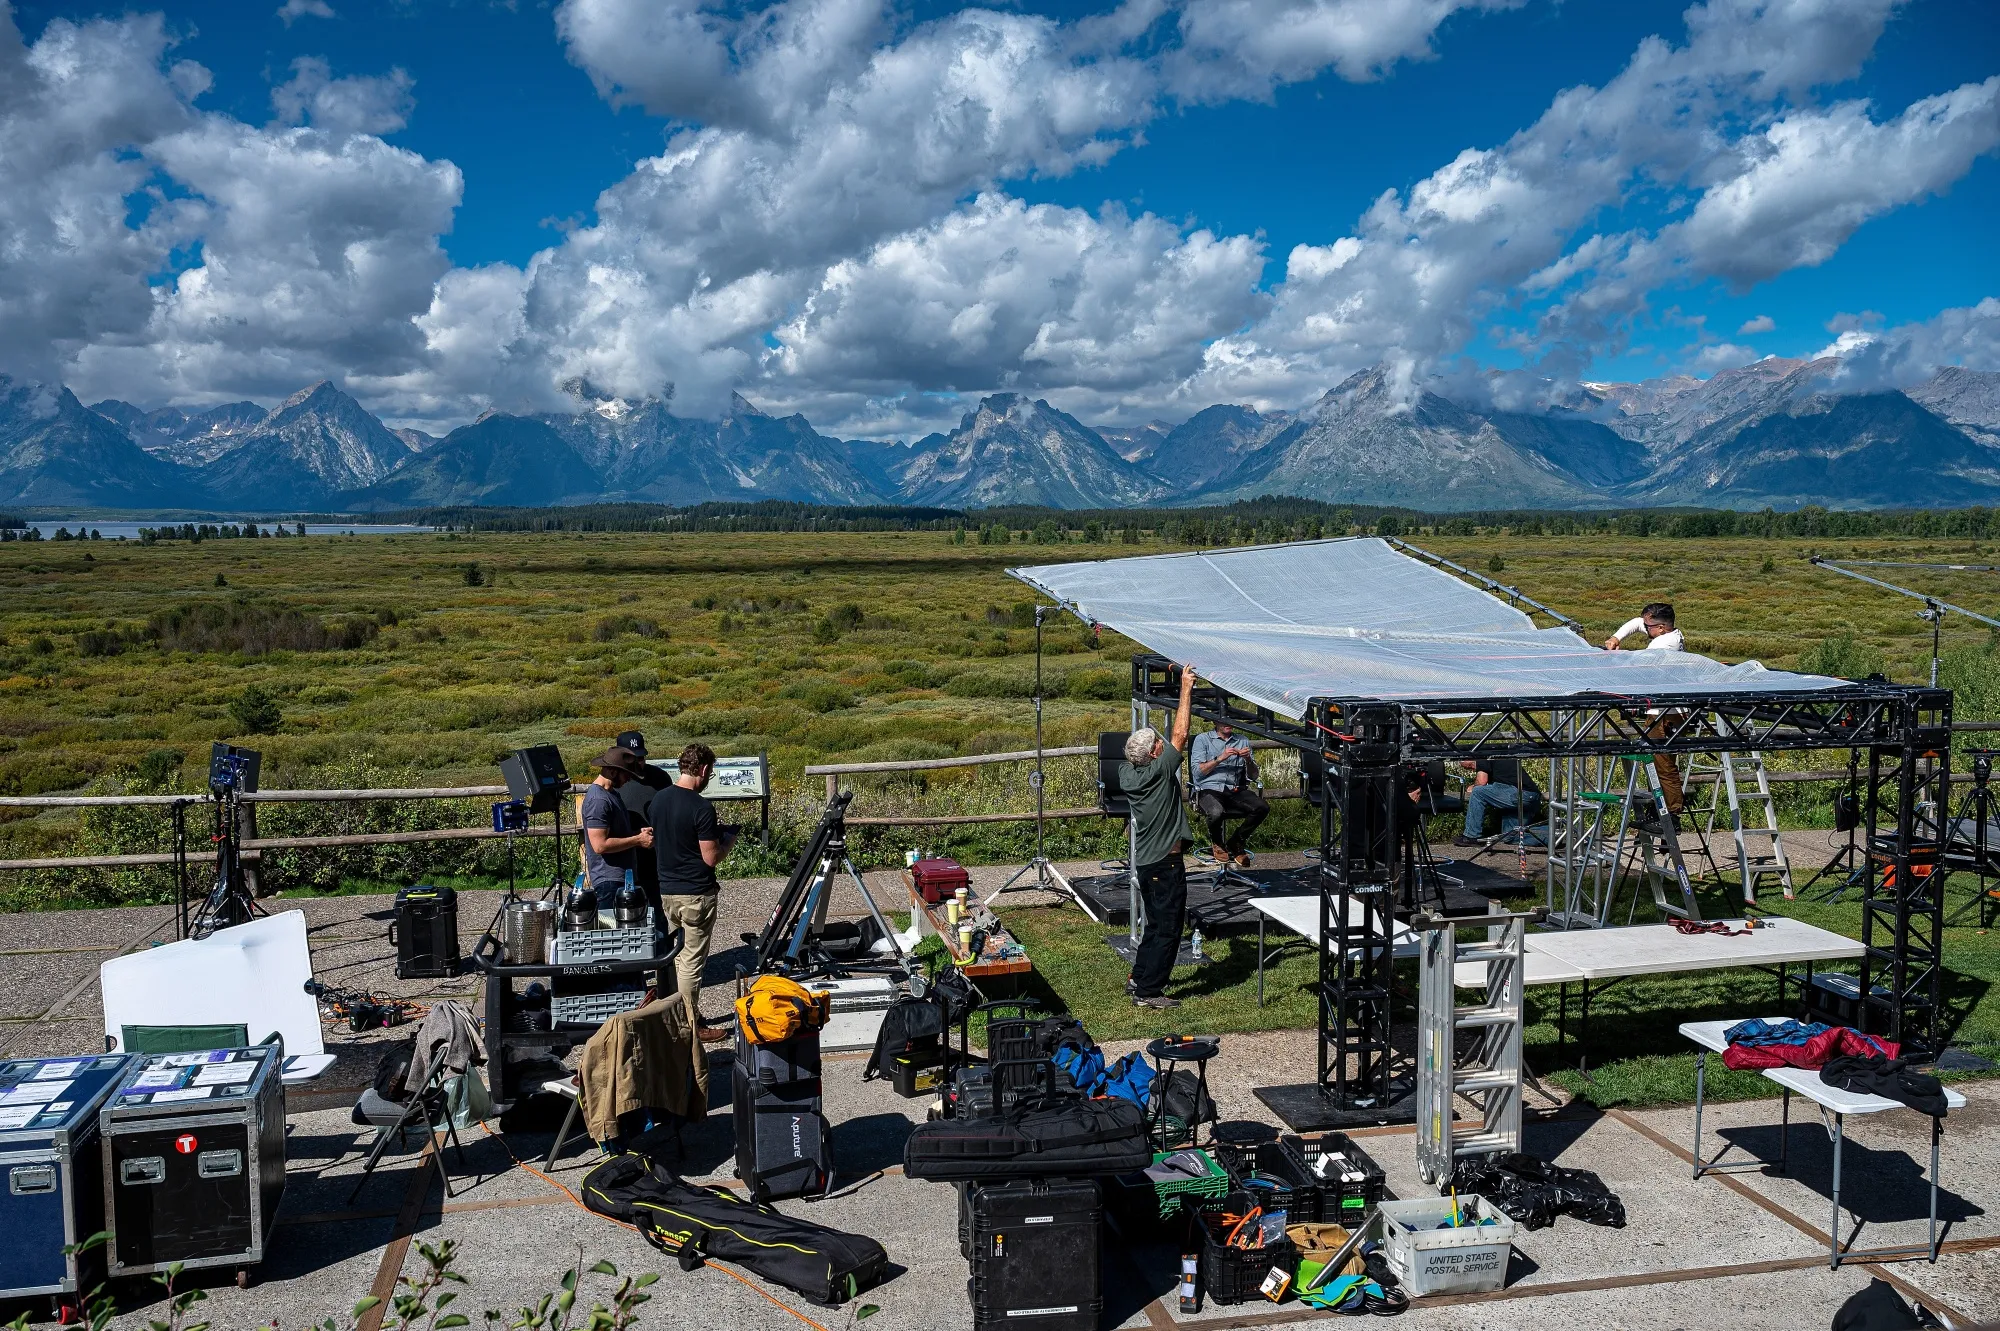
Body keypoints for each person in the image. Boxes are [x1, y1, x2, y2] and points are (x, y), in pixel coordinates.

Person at [1117, 664, 1196, 1010]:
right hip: (1165, 862)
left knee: (1153, 924)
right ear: (1152, 755)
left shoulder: (1127, 774)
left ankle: (1139, 975)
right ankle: (1149, 991)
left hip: (1149, 860)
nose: (1164, 747)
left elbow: (1159, 745)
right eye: (1158, 746)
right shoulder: (1161, 772)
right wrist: (1185, 688)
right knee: (1167, 929)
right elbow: (1180, 735)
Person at [649, 742, 739, 1041]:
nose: (708, 779)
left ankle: (674, 1014)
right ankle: (690, 1023)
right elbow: (710, 857)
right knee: (691, 962)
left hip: (666, 890)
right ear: (702, 770)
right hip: (695, 893)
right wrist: (728, 840)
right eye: (710, 774)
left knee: (674, 957)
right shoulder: (701, 807)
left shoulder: (658, 801)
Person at [1603, 601, 1686, 826]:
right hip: (1661, 710)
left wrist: (1616, 657)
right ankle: (1659, 809)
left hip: (1668, 713)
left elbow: (1639, 668)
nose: (1644, 628)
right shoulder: (1665, 635)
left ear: (1660, 628)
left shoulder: (1664, 646)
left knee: (1664, 764)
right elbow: (1635, 624)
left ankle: (1672, 814)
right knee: (1656, 762)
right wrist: (1616, 637)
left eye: (1649, 626)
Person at [612, 730, 674, 918]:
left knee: (659, 913)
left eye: (640, 757)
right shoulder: (614, 782)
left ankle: (663, 948)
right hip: (625, 858)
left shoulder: (660, 778)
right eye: (632, 758)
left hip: (657, 858)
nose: (638, 763)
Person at [1189, 721, 1268, 866]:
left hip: (1235, 789)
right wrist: (1220, 758)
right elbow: (1197, 773)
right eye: (1223, 721)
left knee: (1262, 807)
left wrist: (1248, 760)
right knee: (1216, 811)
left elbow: (1254, 776)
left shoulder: (1242, 740)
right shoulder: (1203, 739)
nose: (1227, 723)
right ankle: (1218, 843)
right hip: (1208, 789)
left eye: (1229, 720)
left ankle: (1237, 841)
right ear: (1214, 722)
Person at [580, 747, 654, 901]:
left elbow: (615, 835)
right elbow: (600, 845)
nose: (628, 779)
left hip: (620, 878)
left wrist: (637, 834)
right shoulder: (599, 800)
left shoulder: (611, 794)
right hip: (609, 881)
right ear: (612, 771)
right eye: (626, 774)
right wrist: (638, 840)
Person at [1452, 757, 1542, 847]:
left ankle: (1471, 836)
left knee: (1478, 792)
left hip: (1521, 794)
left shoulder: (1482, 756)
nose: (1473, 769)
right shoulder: (1495, 756)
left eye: (1470, 766)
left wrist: (1472, 787)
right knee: (1510, 837)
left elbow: (1482, 781)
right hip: (1530, 796)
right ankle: (1551, 835)